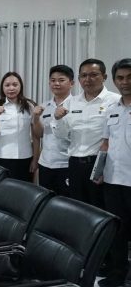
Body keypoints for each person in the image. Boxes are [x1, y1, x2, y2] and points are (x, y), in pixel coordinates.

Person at [52, 59, 120, 207]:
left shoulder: (116, 101)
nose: (88, 79)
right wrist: (58, 119)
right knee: (77, 207)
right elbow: (62, 135)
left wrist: (102, 167)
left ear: (104, 77)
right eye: (83, 75)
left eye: (93, 75)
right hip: (75, 164)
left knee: (101, 208)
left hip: (102, 163)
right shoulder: (71, 102)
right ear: (78, 79)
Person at [97, 58, 131, 287]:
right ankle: (118, 274)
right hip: (112, 179)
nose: (125, 82)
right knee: (117, 230)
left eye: (129, 77)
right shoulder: (111, 110)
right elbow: (105, 143)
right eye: (120, 78)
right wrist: (98, 171)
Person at [0, 71, 38, 182]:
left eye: (15, 85)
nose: (11, 88)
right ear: (2, 88)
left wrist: (35, 159)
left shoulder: (30, 105)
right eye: (7, 85)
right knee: (2, 190)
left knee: (25, 190)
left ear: (20, 86)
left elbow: (36, 135)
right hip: (2, 157)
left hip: (25, 157)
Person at [31, 65, 73, 196]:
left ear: (71, 83)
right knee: (46, 200)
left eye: (61, 80)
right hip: (46, 163)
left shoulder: (76, 105)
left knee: (66, 201)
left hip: (66, 164)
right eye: (53, 80)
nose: (56, 83)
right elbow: (39, 134)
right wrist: (36, 118)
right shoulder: (44, 106)